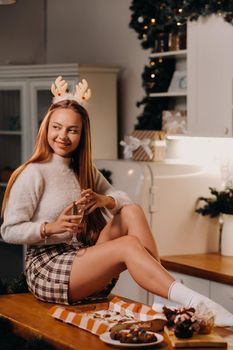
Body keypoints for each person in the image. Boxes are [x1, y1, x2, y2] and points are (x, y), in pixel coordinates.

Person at [1, 77, 233, 327]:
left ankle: (167, 298)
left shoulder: (84, 170)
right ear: (46, 128)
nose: (63, 136)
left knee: (131, 211)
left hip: (81, 260)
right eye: (56, 127)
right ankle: (194, 304)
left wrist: (104, 200)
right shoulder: (33, 173)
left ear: (82, 134)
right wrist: (50, 228)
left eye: (72, 130)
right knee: (127, 245)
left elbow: (124, 201)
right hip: (48, 269)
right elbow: (8, 230)